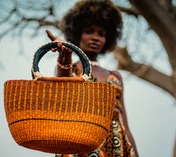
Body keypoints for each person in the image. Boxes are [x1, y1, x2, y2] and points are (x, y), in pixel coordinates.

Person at [46, 0, 139, 156]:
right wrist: (65, 56)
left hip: (116, 147)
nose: (96, 37)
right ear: (77, 34)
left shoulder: (115, 76)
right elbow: (61, 86)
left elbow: (126, 126)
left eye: (101, 34)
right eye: (89, 31)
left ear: (108, 38)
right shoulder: (69, 69)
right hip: (79, 144)